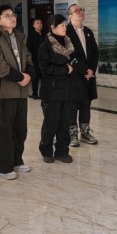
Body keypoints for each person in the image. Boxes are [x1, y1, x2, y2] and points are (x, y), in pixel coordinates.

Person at [0, 5, 34, 180]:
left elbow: (28, 57)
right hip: (4, 91)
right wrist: (20, 77)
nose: (13, 18)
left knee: (20, 129)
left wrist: (29, 74)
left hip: (21, 91)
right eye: (7, 16)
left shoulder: (20, 36)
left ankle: (16, 161)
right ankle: (2, 167)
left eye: (13, 15)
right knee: (4, 131)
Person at [38, 14, 87, 164]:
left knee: (65, 123)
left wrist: (79, 68)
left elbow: (76, 61)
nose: (65, 27)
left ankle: (62, 151)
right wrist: (65, 69)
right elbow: (45, 69)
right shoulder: (45, 46)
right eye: (61, 25)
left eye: (65, 25)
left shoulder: (69, 43)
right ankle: (46, 151)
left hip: (68, 90)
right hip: (52, 91)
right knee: (51, 123)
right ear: (52, 27)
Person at [66, 4, 100, 147]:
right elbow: (70, 55)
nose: (80, 12)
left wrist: (91, 69)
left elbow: (95, 52)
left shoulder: (88, 32)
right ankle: (72, 134)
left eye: (81, 10)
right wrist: (85, 70)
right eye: (77, 11)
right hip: (74, 75)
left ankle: (85, 132)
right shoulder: (66, 32)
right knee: (73, 104)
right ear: (70, 16)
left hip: (88, 76)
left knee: (86, 103)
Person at [27, 18, 45, 99]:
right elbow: (28, 48)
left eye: (40, 23)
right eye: (37, 23)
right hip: (35, 59)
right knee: (35, 77)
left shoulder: (45, 35)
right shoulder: (31, 36)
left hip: (44, 60)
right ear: (33, 25)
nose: (39, 24)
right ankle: (34, 94)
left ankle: (42, 94)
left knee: (44, 77)